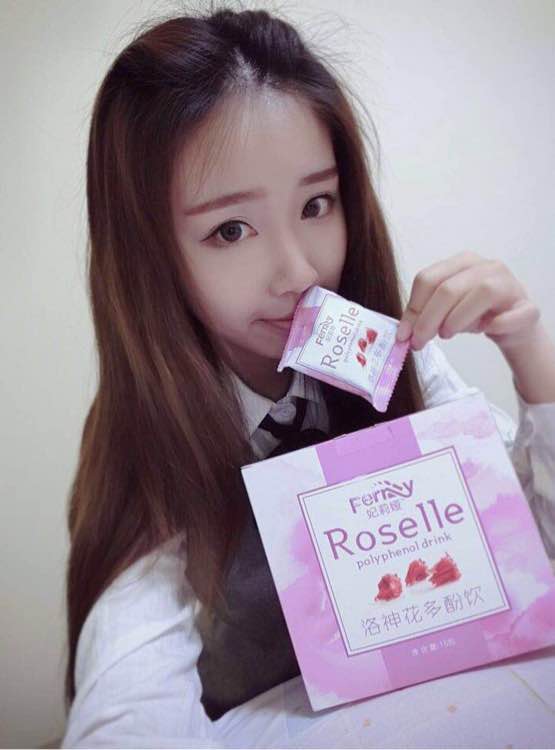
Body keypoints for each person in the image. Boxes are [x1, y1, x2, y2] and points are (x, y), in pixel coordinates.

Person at [61, 4, 555, 748]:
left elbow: (533, 548)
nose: (298, 272)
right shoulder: (151, 439)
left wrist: (529, 353)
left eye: (316, 204)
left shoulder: (390, 356)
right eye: (231, 229)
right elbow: (127, 710)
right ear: (150, 254)